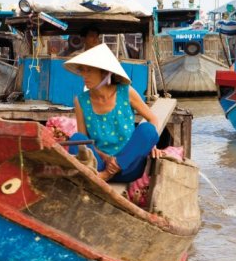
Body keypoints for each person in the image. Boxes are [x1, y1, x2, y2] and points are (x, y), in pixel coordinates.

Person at [64, 44, 162, 182]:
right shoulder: (80, 101)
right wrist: (104, 156)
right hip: (98, 166)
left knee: (148, 130)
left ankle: (108, 175)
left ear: (104, 72)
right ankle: (105, 173)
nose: (84, 76)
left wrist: (152, 145)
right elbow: (84, 142)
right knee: (76, 139)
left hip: (128, 167)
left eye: (90, 71)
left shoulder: (126, 92)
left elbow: (153, 120)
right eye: (83, 71)